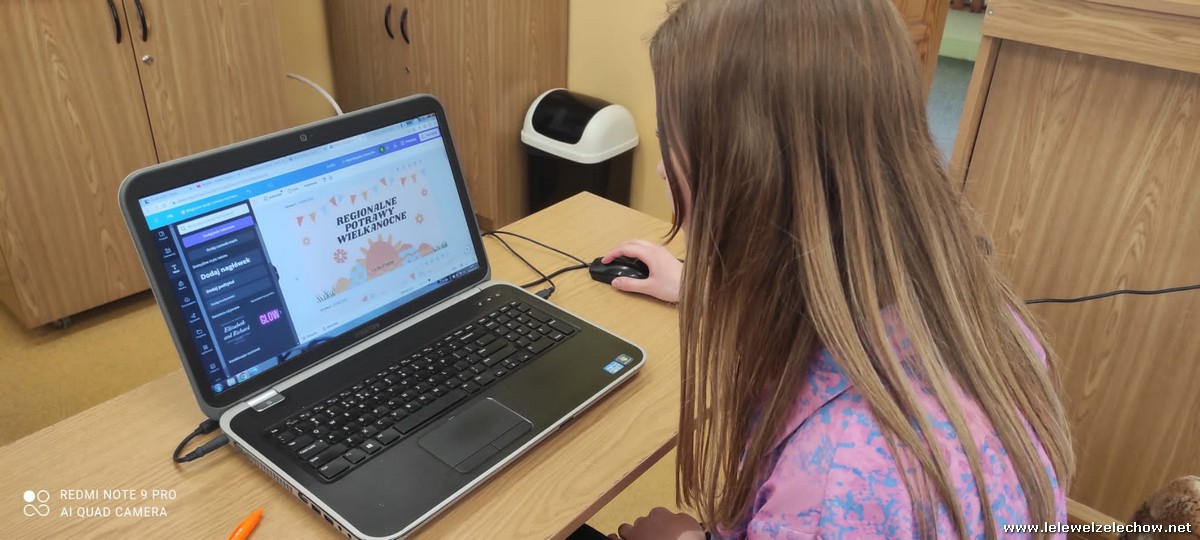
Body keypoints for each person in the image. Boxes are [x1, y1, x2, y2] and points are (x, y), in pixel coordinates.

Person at [599, 0, 1074, 538]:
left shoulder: (834, 485)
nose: (661, 169)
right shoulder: (990, 320)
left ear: (753, 181)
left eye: (670, 143)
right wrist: (701, 286)